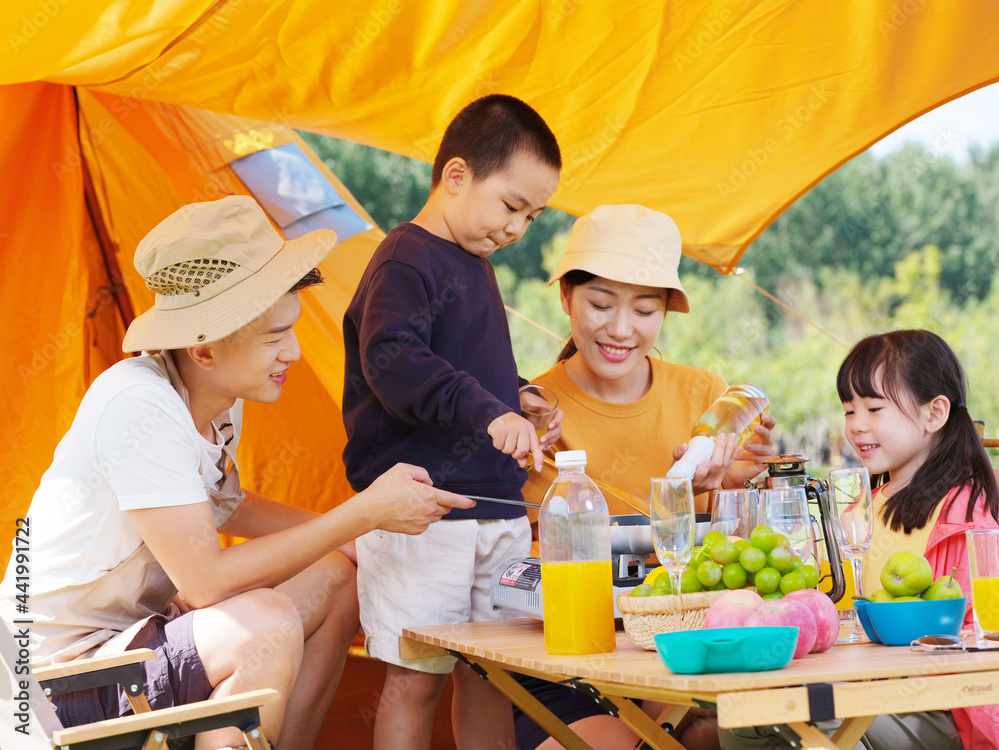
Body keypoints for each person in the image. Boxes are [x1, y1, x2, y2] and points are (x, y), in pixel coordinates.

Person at [0, 195, 474, 750]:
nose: (293, 351)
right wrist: (360, 514)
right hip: (48, 683)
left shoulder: (219, 394)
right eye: (275, 336)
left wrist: (361, 538)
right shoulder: (139, 406)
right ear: (204, 350)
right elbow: (205, 584)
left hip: (128, 644)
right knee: (264, 623)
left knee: (335, 580)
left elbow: (230, 503)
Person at [341, 94, 563, 750]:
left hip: (493, 511)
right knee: (417, 679)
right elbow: (397, 363)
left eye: (533, 214)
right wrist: (488, 409)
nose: (518, 226)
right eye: (512, 205)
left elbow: (464, 366)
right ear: (457, 176)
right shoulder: (405, 260)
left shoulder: (476, 264)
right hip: (424, 515)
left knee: (492, 675)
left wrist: (516, 397)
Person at [513, 204, 776, 750]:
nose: (621, 329)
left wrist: (738, 487)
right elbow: (510, 560)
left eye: (644, 310)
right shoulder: (531, 410)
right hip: (566, 655)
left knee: (719, 733)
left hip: (679, 649)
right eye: (600, 304)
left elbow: (743, 553)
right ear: (566, 298)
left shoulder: (706, 396)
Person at [722, 329, 999, 749]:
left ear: (934, 413)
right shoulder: (862, 506)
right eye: (849, 410)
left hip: (938, 706)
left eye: (874, 408)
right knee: (745, 719)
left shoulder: (966, 513)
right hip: (861, 685)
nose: (857, 426)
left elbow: (980, 639)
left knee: (810, 721)